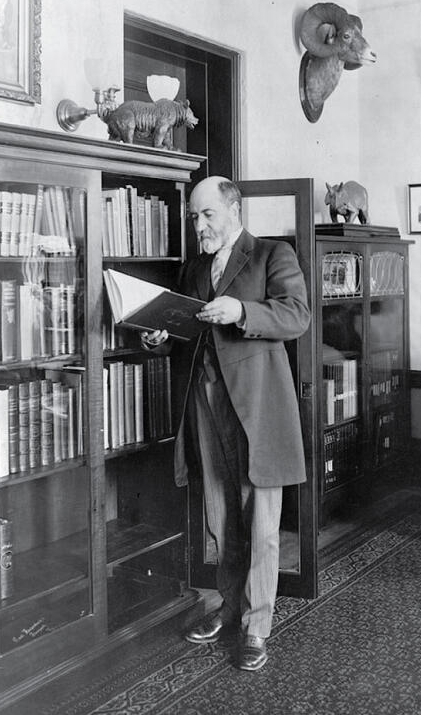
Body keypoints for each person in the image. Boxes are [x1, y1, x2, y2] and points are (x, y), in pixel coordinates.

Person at [142, 175, 310, 671]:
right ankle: (229, 607)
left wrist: (241, 310)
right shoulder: (195, 267)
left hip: (258, 406)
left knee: (261, 520)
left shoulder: (271, 255)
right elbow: (187, 327)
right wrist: (161, 337)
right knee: (220, 516)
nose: (199, 225)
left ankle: (257, 627)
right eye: (194, 216)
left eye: (207, 214)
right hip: (206, 403)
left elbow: (296, 315)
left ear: (234, 210)